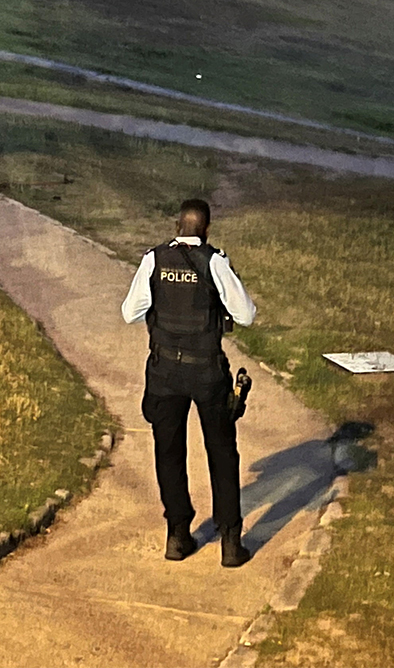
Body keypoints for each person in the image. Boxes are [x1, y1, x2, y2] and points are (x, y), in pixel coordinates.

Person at [121, 198, 257, 568]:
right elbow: (246, 315)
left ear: (177, 225)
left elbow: (129, 311)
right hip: (207, 372)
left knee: (168, 453)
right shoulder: (214, 262)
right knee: (222, 454)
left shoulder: (154, 259)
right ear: (207, 229)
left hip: (164, 371)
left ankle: (178, 536)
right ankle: (230, 542)